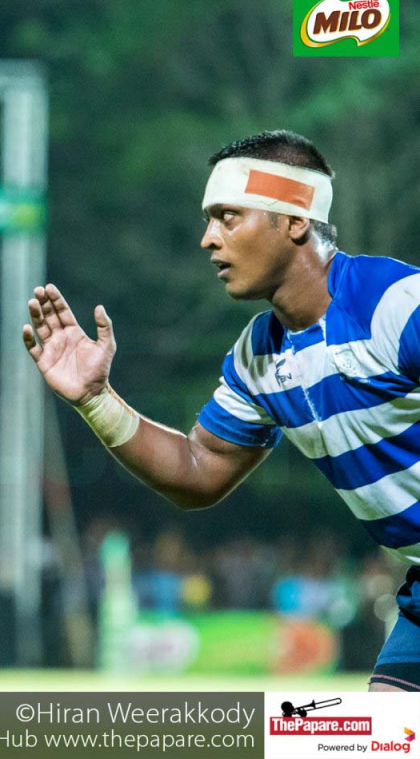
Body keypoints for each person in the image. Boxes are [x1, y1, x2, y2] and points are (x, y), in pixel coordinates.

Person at [22, 129, 420, 691]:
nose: (208, 238)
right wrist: (95, 400)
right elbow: (198, 472)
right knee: (381, 733)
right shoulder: (258, 355)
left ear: (295, 221)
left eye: (228, 217)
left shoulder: (395, 305)